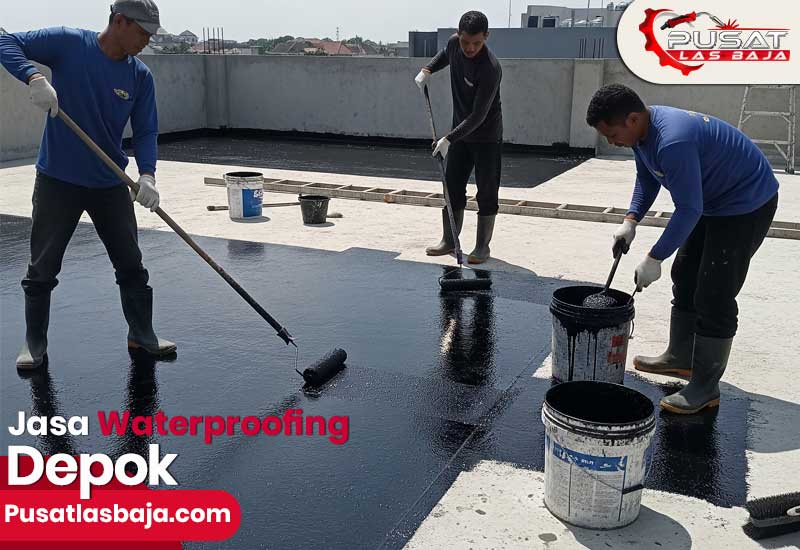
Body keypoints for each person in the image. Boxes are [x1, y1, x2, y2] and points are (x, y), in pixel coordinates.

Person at [0, 0, 175, 370]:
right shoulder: (68, 43)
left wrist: (147, 174)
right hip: (58, 180)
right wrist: (33, 78)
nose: (147, 40)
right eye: (143, 32)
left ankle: (142, 333)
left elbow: (146, 130)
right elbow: (5, 41)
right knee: (43, 266)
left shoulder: (139, 76)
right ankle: (35, 342)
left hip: (109, 183)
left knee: (131, 263)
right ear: (119, 21)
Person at [586, 83, 779, 414]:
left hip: (746, 202)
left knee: (715, 292)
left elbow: (688, 208)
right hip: (712, 199)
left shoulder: (673, 140)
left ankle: (705, 387)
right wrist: (631, 220)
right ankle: (680, 357)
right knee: (685, 274)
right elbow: (647, 179)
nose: (611, 142)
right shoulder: (641, 136)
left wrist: (654, 257)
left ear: (632, 119)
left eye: (612, 134)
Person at [414, 10, 503, 264]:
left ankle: (482, 247)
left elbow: (478, 116)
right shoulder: (455, 45)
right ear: (458, 35)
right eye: (465, 42)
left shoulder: (490, 68)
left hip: (486, 137)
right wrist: (428, 69)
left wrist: (447, 140)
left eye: (477, 42)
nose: (470, 48)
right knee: (452, 187)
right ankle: (449, 240)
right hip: (460, 135)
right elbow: (446, 54)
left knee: (486, 192)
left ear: (486, 36)